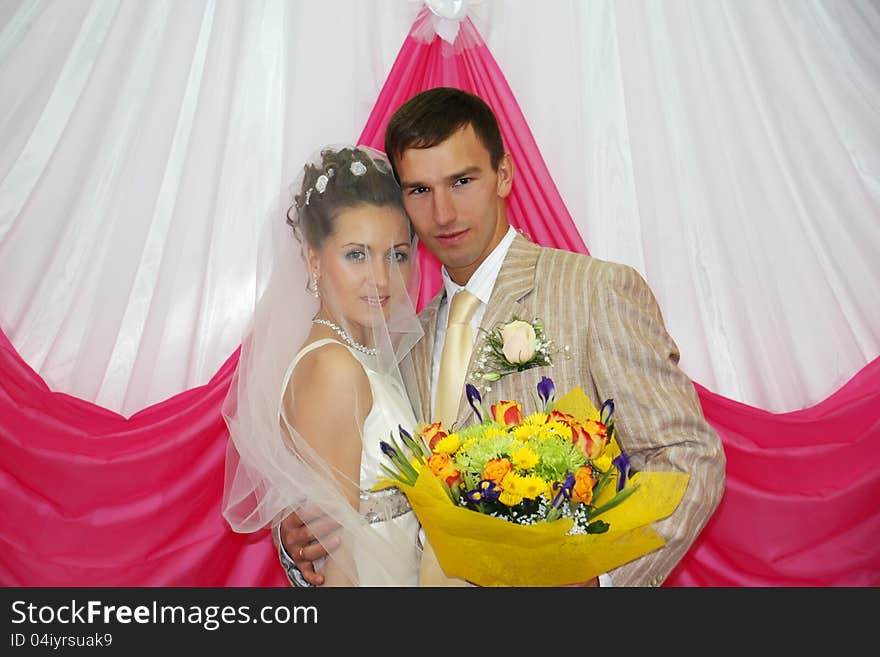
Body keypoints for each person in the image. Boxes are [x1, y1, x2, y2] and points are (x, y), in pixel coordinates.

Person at [280, 87, 727, 588]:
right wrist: (304, 545)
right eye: (421, 190)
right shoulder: (404, 337)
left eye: (462, 181)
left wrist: (600, 582)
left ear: (504, 175)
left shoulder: (595, 291)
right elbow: (380, 502)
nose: (443, 213)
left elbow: (688, 455)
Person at [221, 145, 424, 586]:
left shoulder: (359, 353)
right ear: (314, 259)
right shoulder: (334, 368)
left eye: (397, 254)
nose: (383, 279)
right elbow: (338, 561)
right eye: (357, 254)